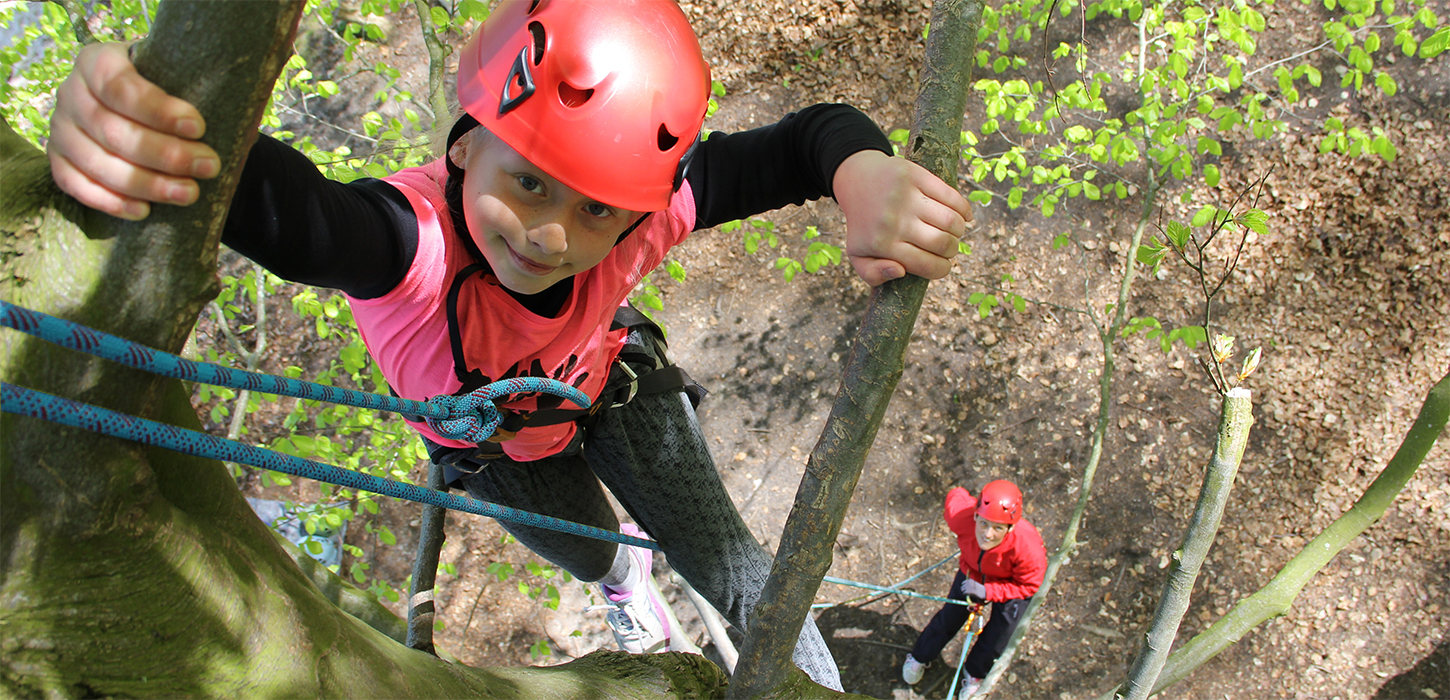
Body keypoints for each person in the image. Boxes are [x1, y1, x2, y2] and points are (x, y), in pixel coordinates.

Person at [48, 0, 972, 688]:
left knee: (738, 572)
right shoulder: (410, 247)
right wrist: (155, 128)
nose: (550, 234)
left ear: (633, 211)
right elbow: (303, 218)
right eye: (527, 184)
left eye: (593, 211)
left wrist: (862, 171)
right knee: (591, 550)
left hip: (613, 394)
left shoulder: (639, 216)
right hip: (495, 456)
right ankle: (625, 581)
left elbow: (801, 141)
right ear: (464, 146)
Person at [901, 480, 1046, 697]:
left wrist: (989, 592)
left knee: (1000, 632)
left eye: (998, 528)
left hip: (1012, 584)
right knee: (950, 616)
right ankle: (921, 655)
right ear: (976, 515)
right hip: (973, 572)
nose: (988, 534)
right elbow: (956, 494)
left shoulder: (1027, 547)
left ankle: (975, 672)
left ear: (1010, 528)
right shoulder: (962, 517)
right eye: (984, 523)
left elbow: (1028, 585)